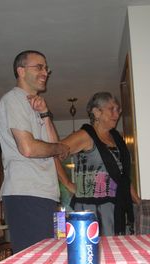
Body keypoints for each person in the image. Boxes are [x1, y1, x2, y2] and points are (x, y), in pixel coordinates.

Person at [0, 50, 69, 253]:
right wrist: (59, 147)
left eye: (46, 68)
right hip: (25, 193)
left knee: (49, 257)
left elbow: (55, 148)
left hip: (43, 193)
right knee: (37, 261)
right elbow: (28, 148)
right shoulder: (13, 100)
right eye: (39, 67)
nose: (45, 72)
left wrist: (45, 114)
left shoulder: (36, 106)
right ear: (21, 71)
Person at [59, 92, 141, 236]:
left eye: (118, 109)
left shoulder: (117, 138)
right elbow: (54, 153)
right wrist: (67, 183)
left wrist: (138, 202)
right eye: (112, 109)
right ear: (96, 112)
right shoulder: (85, 136)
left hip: (116, 207)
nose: (117, 113)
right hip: (92, 210)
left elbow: (123, 177)